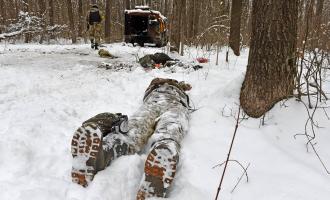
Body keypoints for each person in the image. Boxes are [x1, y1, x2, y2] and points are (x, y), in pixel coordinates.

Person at [71, 78, 192, 199]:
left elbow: (175, 84)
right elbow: (159, 81)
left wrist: (181, 86)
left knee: (136, 132)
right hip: (169, 105)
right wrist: (180, 87)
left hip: (157, 104)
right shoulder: (163, 85)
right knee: (167, 131)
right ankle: (163, 152)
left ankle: (107, 151)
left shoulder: (166, 86)